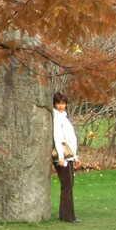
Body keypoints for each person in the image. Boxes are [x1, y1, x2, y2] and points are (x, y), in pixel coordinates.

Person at [52, 92, 80, 223]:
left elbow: (70, 138)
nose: (61, 106)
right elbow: (57, 138)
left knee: (68, 185)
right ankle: (68, 216)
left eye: (63, 103)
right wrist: (61, 156)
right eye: (58, 103)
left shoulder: (64, 117)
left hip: (68, 156)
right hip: (62, 156)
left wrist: (75, 156)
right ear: (54, 104)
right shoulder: (57, 118)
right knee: (67, 185)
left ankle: (65, 215)